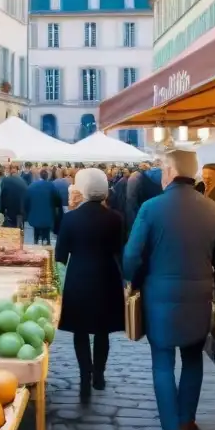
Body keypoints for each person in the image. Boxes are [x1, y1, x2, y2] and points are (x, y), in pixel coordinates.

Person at [123, 149, 215, 430]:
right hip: (199, 297)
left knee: (162, 361)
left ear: (171, 171)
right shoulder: (212, 208)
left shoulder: (151, 207)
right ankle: (187, 421)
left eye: (162, 170)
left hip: (159, 295)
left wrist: (132, 280)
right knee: (192, 357)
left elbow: (131, 255)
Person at [55, 169, 125, 400]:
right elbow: (120, 250)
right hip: (107, 276)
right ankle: (99, 375)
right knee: (103, 331)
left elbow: (60, 255)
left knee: (80, 330)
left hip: (79, 277)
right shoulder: (115, 217)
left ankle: (85, 374)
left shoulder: (70, 218)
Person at [124, 162, 163, 238]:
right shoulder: (164, 176)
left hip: (142, 214)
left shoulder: (136, 178)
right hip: (159, 217)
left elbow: (131, 201)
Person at [24, 169, 61, 246]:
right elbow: (58, 200)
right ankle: (47, 248)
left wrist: (27, 213)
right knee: (47, 236)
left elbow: (26, 201)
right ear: (47, 176)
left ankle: (36, 245)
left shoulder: (31, 186)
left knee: (36, 235)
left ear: (39, 176)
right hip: (48, 216)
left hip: (35, 215)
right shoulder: (51, 186)